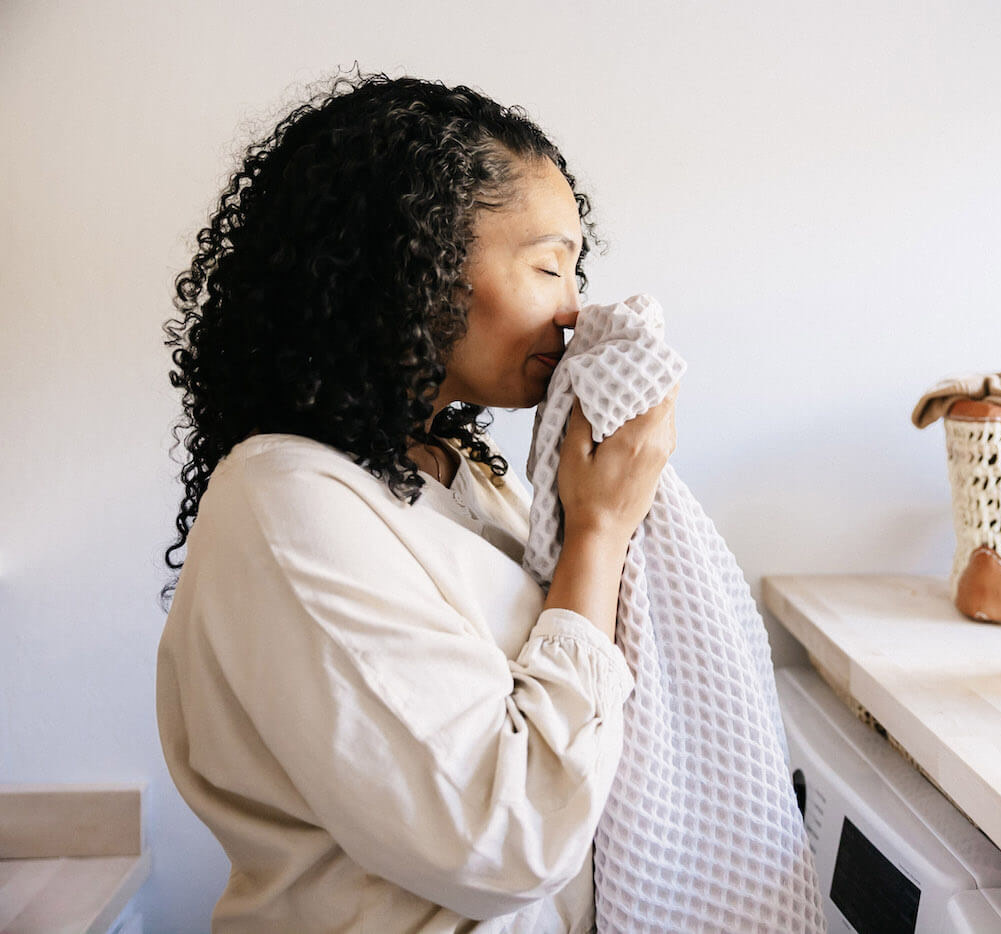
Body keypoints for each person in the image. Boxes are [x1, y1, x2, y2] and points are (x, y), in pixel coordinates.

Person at [157, 67, 677, 933]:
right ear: (413, 264)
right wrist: (598, 529)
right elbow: (506, 841)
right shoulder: (286, 504)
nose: (575, 314)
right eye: (549, 267)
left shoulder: (461, 472)